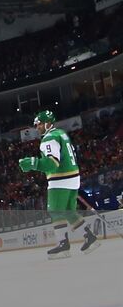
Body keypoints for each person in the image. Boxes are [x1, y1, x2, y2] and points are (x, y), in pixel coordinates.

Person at [19, 110, 98, 258]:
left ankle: (63, 245)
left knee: (55, 211)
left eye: (39, 125)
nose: (37, 128)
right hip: (73, 177)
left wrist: (31, 163)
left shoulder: (49, 138)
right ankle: (90, 237)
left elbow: (52, 163)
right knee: (68, 211)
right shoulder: (61, 133)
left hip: (60, 179)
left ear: (48, 123)